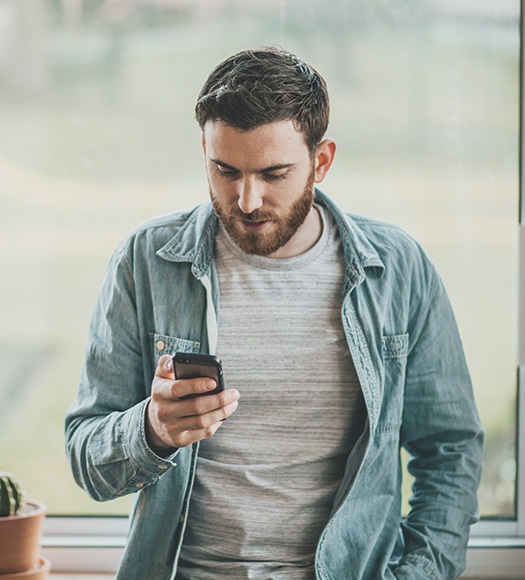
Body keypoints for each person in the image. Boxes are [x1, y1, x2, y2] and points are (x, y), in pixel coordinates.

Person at [65, 47, 484, 580]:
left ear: (322, 161)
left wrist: (420, 573)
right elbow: (87, 458)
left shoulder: (399, 270)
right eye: (224, 170)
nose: (246, 199)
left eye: (274, 173)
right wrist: (152, 429)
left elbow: (450, 450)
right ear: (204, 152)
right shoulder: (145, 262)